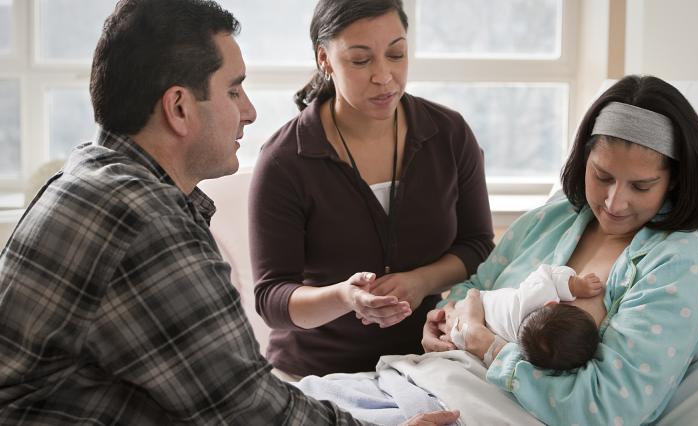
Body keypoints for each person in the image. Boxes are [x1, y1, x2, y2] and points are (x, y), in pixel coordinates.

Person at [0, 1, 458, 424]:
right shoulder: (144, 220)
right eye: (234, 90)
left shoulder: (93, 175)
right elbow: (244, 407)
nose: (251, 112)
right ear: (179, 108)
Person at [422, 74, 698, 425]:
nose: (615, 202)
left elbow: (608, 408)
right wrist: (441, 318)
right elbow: (473, 289)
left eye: (641, 187)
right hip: (423, 383)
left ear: (673, 183)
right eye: (602, 176)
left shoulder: (673, 268)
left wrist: (484, 343)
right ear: (584, 159)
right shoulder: (551, 219)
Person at [249, 0, 494, 378]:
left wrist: (420, 281)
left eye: (396, 54)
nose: (384, 76)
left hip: (426, 365)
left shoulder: (449, 134)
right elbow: (271, 298)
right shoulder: (285, 159)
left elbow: (477, 245)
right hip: (313, 374)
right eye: (361, 61)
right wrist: (344, 298)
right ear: (324, 59)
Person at [448, 265, 603, 370]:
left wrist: (574, 285)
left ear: (550, 304)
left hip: (470, 305)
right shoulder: (514, 347)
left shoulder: (536, 295)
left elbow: (546, 272)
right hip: (467, 321)